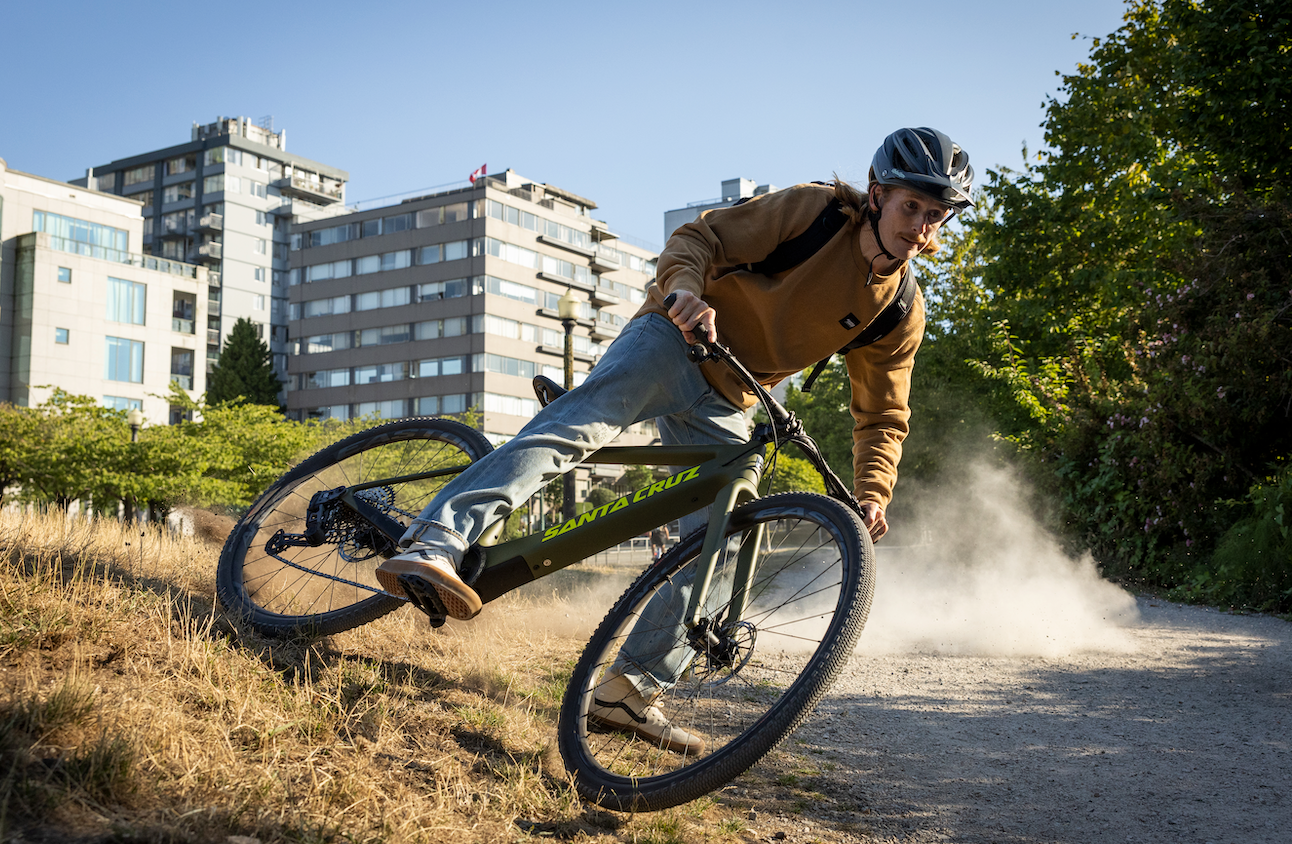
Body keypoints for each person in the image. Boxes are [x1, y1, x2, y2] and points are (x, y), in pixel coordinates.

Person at [376, 127, 974, 750]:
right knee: (578, 427)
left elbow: (882, 414)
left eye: (936, 215)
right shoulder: (814, 211)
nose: (922, 228)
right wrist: (686, 292)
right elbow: (701, 238)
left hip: (732, 395)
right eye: (912, 207)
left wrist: (873, 492)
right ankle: (436, 540)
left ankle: (628, 692)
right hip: (674, 338)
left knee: (731, 534)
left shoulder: (899, 309)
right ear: (877, 195)